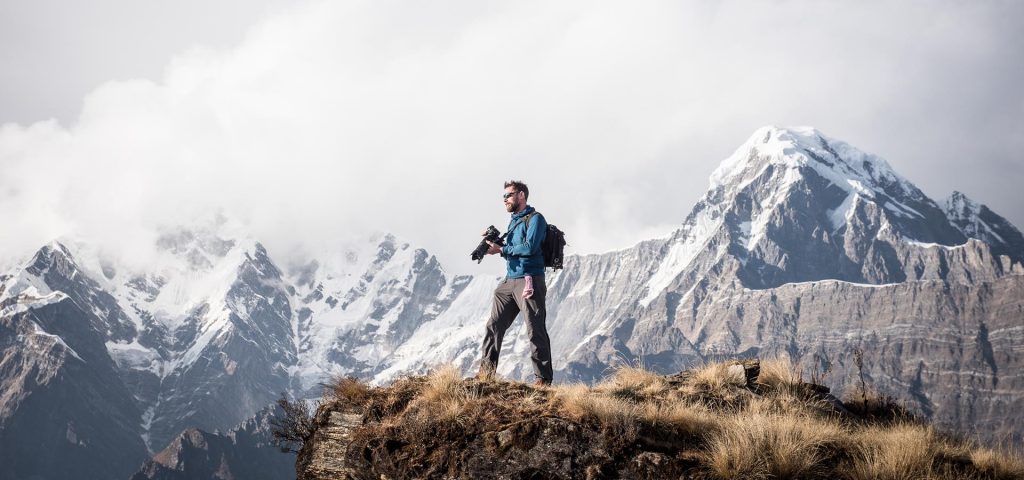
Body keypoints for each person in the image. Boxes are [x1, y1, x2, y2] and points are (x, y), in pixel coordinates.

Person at [478, 180, 553, 386]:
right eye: (503, 197)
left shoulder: (536, 219)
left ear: (521, 195)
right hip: (509, 281)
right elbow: (513, 250)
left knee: (534, 328)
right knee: (494, 325)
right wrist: (496, 245)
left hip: (529, 281)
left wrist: (501, 250)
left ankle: (543, 379)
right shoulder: (513, 221)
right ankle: (485, 374)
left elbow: (529, 248)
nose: (505, 200)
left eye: (508, 195)